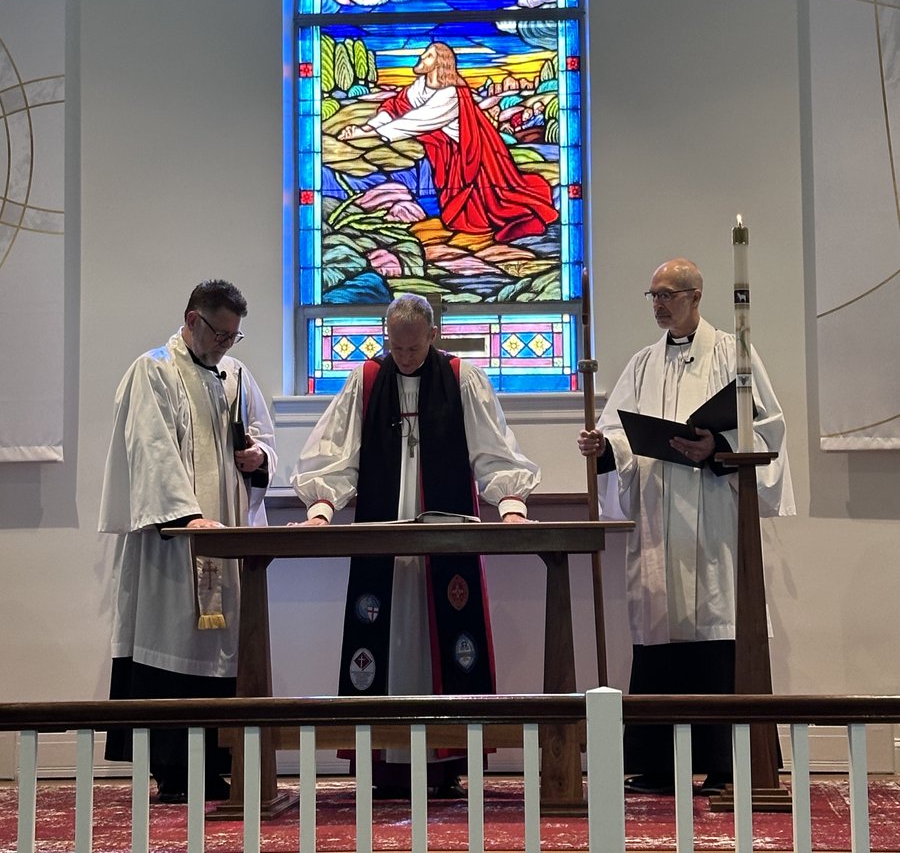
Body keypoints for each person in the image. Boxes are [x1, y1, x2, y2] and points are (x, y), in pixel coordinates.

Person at [291, 292, 540, 797]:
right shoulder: (365, 381)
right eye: (395, 348)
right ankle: (384, 764)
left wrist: (510, 499)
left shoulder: (461, 377)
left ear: (433, 335)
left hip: (445, 530)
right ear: (387, 336)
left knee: (447, 638)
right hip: (383, 529)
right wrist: (321, 508)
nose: (404, 358)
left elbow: (492, 446)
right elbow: (336, 454)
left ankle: (446, 765)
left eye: (413, 348)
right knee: (382, 633)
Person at [578, 258, 794, 796]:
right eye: (651, 295)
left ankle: (726, 761)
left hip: (714, 515)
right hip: (658, 518)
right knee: (660, 626)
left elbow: (768, 425)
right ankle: (657, 762)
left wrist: (716, 447)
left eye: (667, 295)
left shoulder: (733, 354)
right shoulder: (642, 364)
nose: (657, 304)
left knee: (717, 625)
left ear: (696, 296)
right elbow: (618, 430)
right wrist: (603, 449)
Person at [99, 280, 276, 803]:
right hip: (174, 544)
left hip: (226, 536)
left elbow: (265, 436)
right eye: (220, 333)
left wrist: (259, 458)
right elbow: (150, 449)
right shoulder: (153, 369)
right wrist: (186, 515)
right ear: (192, 319)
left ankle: (219, 765)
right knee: (174, 643)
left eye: (234, 336)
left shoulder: (237, 375)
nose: (226, 344)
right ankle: (174, 770)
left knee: (225, 653)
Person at [339, 40, 558, 242]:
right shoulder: (420, 86)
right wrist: (367, 126)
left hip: (472, 156)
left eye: (428, 56)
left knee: (480, 211)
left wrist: (366, 134)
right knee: (453, 211)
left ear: (440, 63)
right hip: (447, 153)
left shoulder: (452, 93)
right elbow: (395, 107)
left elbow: (417, 120)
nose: (421, 58)